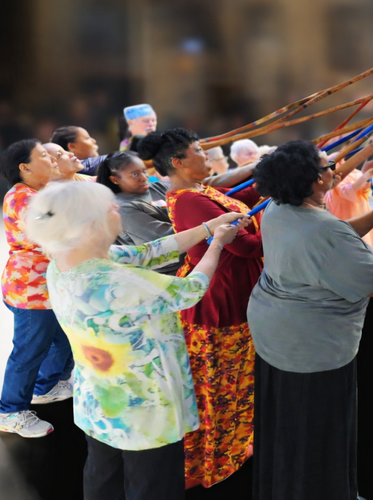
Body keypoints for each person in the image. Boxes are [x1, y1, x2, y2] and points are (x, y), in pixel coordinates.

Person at [24, 180, 248, 500]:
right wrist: (217, 245)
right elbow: (190, 290)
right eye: (109, 208)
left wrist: (207, 227)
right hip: (145, 408)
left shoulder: (67, 262)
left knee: (103, 477)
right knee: (153, 485)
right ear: (90, 227)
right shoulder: (116, 281)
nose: (118, 208)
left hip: (101, 399)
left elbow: (149, 251)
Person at [247, 140, 373, 500]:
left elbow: (338, 233)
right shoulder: (324, 230)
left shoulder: (279, 208)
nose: (334, 170)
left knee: (285, 425)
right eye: (327, 167)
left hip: (274, 335)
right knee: (315, 432)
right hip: (311, 349)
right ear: (314, 181)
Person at [138, 128, 262, 488]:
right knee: (219, 384)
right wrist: (283, 220)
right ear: (178, 162)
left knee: (233, 381)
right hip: (219, 300)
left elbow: (244, 200)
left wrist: (274, 185)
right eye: (199, 151)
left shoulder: (200, 190)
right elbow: (246, 246)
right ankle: (211, 459)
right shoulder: (190, 200)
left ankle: (231, 446)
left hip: (231, 292)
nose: (207, 156)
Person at [0, 139, 73, 438]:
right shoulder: (23, 198)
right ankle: (11, 412)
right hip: (31, 290)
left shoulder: (39, 192)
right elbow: (53, 233)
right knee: (29, 350)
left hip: (48, 284)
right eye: (44, 156)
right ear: (25, 167)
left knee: (62, 339)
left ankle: (46, 386)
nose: (52, 159)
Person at [95, 152, 184, 275]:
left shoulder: (159, 187)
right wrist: (204, 226)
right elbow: (165, 243)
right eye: (135, 174)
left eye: (144, 171)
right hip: (172, 272)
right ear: (115, 179)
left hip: (194, 255)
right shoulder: (122, 209)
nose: (144, 177)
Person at [325, 134, 373, 257]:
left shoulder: (354, 172)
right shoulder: (333, 167)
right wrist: (365, 177)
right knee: (348, 245)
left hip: (358, 211)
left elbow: (361, 189)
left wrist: (368, 184)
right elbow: (345, 191)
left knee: (363, 243)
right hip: (343, 213)